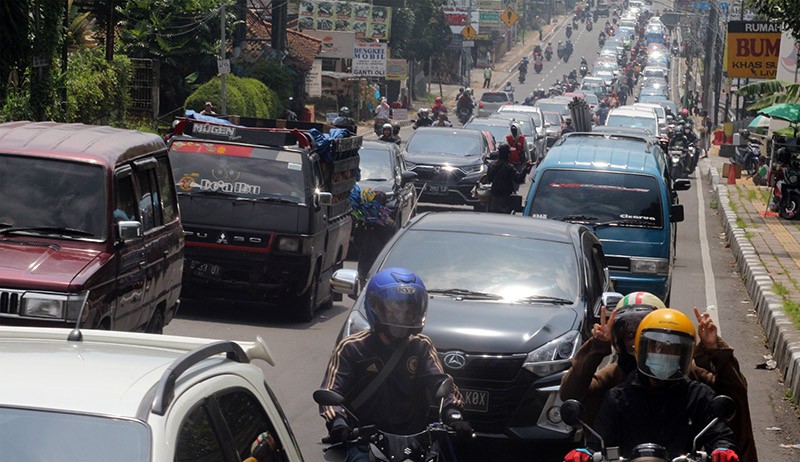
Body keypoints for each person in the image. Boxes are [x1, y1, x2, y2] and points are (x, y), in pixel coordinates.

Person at [561, 296, 757, 462]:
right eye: (654, 346)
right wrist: (587, 452)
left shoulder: (697, 390)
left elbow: (728, 407)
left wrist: (722, 448)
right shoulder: (616, 392)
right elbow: (597, 436)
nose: (663, 355)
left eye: (672, 349)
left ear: (683, 353)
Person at [318, 268, 473, 462]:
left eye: (409, 305)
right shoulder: (352, 347)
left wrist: (453, 414)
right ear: (374, 305)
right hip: (365, 440)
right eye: (396, 304)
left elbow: (441, 383)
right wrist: (339, 424)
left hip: (414, 441)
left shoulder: (421, 346)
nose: (403, 311)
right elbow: (331, 393)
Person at [476, 143, 533, 214]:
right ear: (508, 154)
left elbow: (489, 179)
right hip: (506, 199)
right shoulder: (509, 167)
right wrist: (525, 169)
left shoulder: (492, 165)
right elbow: (519, 179)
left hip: (493, 199)